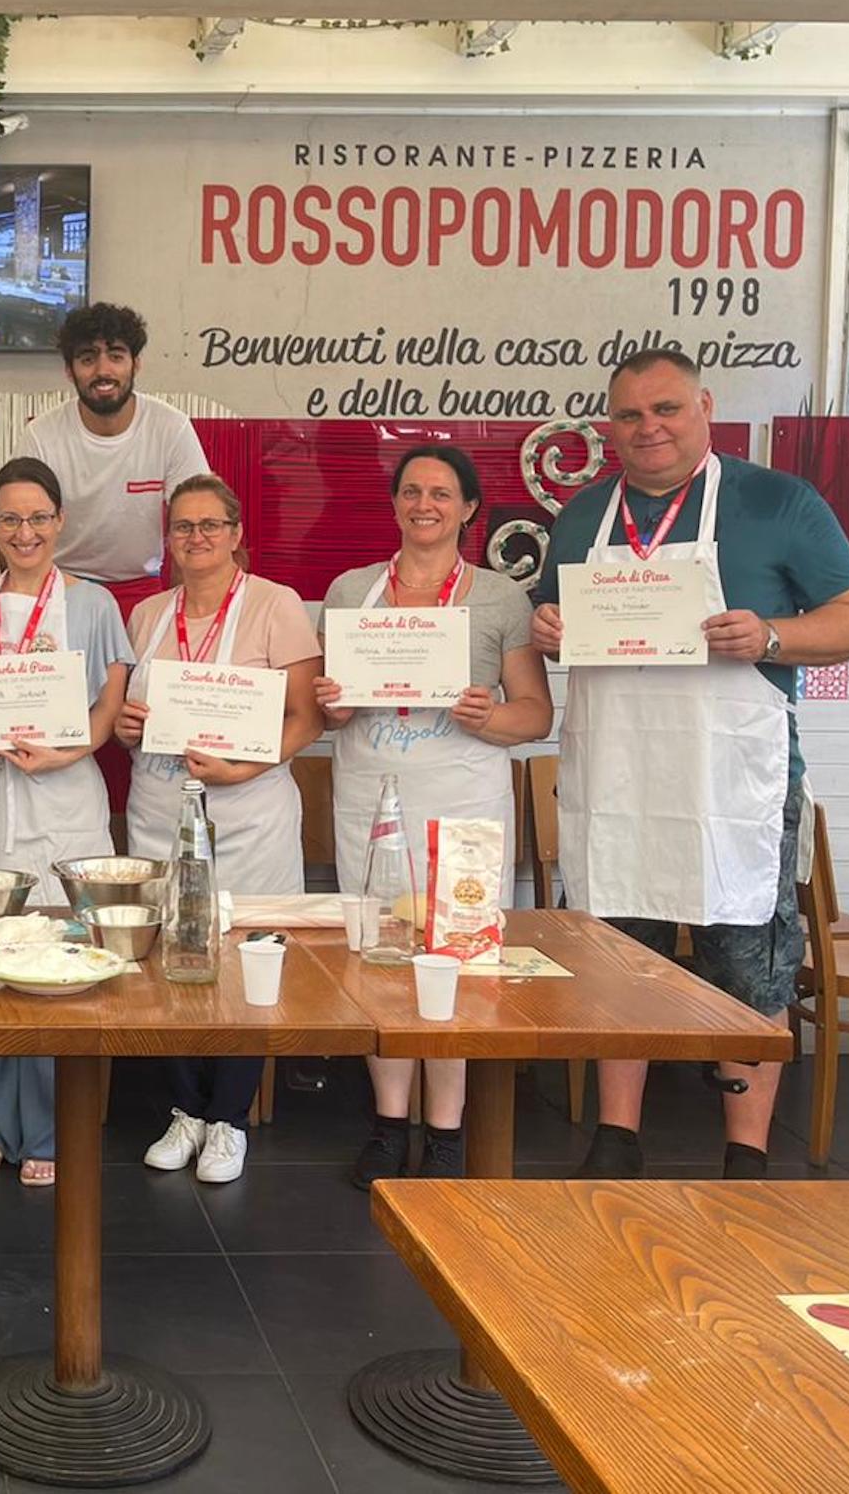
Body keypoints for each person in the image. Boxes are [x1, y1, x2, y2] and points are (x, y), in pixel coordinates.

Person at [530, 349, 849, 1180]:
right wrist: (547, 625)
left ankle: (747, 1151)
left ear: (705, 408)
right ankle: (617, 1136)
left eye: (667, 409)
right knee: (617, 950)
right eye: (629, 415)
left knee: (747, 961)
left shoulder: (777, 500)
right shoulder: (583, 515)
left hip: (733, 778)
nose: (648, 428)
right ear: (608, 426)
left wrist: (770, 635)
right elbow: (552, 608)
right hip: (618, 772)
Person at [316, 445, 553, 1188]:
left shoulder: (498, 598)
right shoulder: (351, 591)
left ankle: (447, 1131)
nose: (425, 504)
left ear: (470, 508)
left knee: (457, 964)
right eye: (412, 491)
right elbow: (335, 704)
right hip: (372, 796)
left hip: (464, 800)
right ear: (394, 504)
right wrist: (337, 704)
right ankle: (389, 1124)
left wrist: (491, 715)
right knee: (379, 959)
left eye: (442, 493)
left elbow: (536, 717)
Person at [116, 474, 323, 1186]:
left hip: (249, 811)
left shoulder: (276, 606)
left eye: (210, 525)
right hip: (161, 807)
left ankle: (230, 1120)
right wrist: (123, 727)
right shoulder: (147, 618)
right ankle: (185, 1111)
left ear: (237, 533)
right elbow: (129, 724)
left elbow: (305, 718)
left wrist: (243, 766)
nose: (196, 538)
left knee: (245, 959)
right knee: (171, 953)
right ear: (167, 540)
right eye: (183, 527)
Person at [0, 457, 131, 1188]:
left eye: (39, 518)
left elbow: (108, 710)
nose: (25, 532)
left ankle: (54, 1131)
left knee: (62, 961)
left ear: (60, 522)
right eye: (10, 519)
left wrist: (65, 751)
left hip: (64, 795)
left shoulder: (94, 605)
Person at [13, 302, 208, 591]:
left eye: (116, 356)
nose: (103, 370)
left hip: (141, 586)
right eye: (88, 359)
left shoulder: (172, 428)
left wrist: (183, 606)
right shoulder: (40, 435)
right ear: (70, 370)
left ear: (136, 363)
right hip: (60, 585)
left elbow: (199, 523)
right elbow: (16, 530)